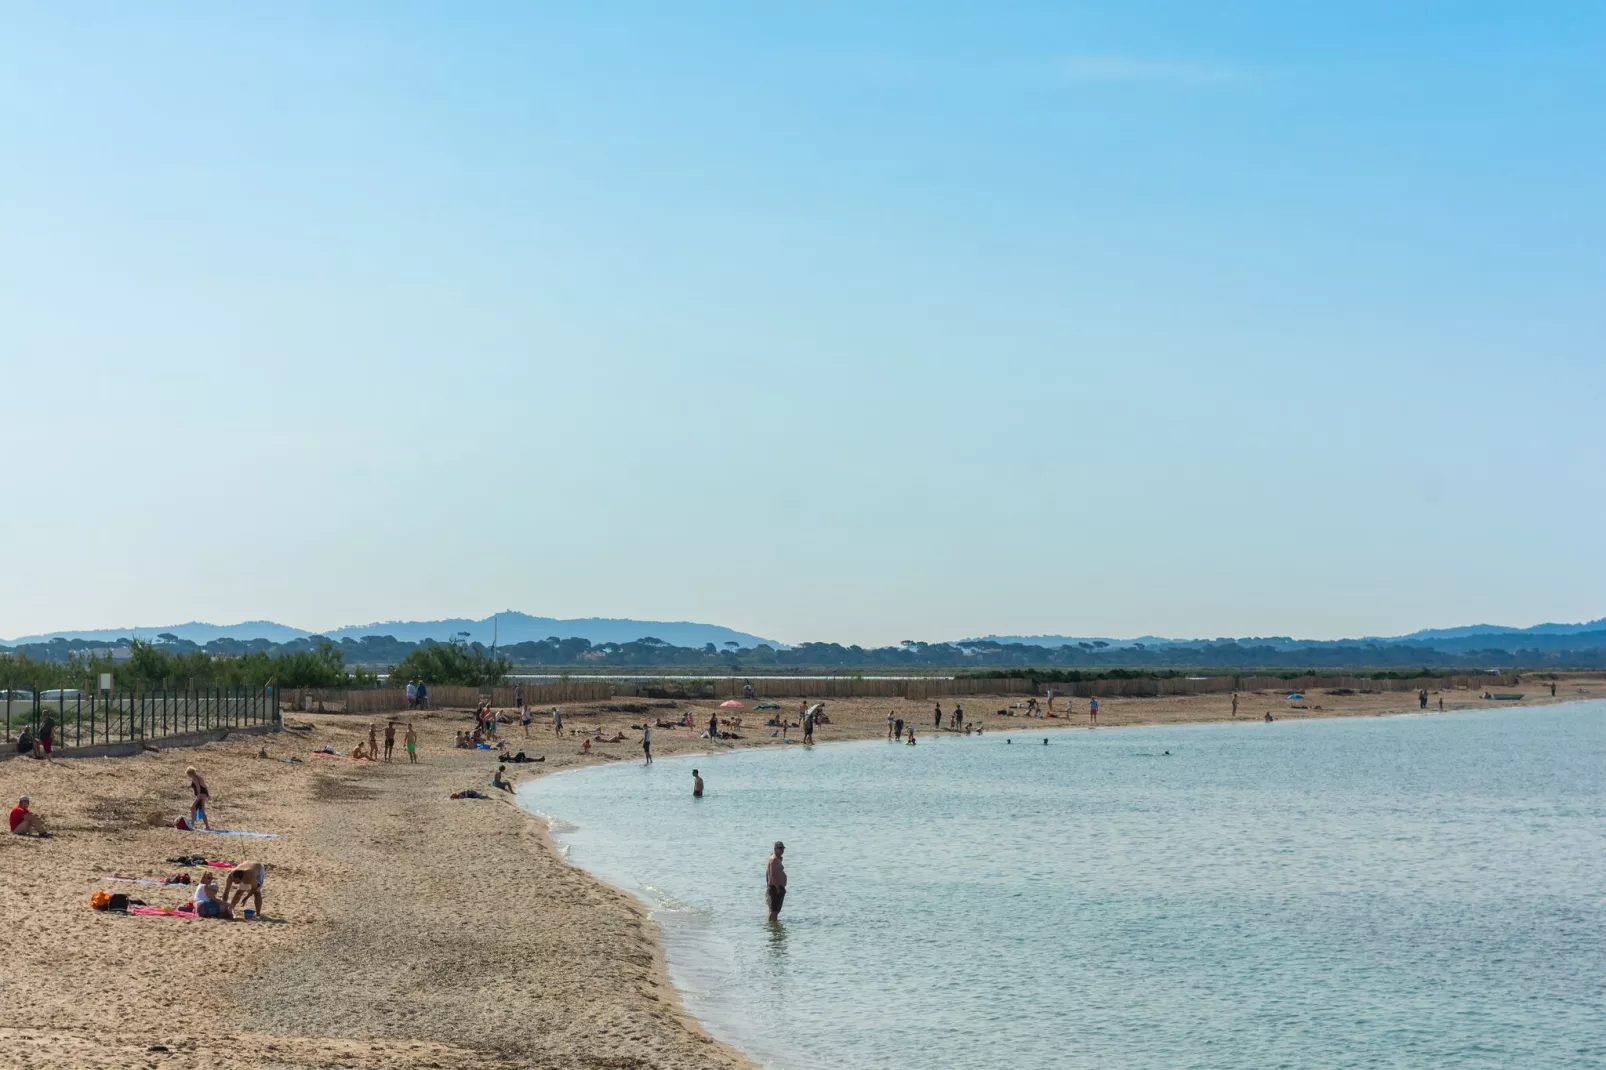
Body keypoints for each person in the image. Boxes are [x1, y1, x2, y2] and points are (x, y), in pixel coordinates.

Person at [766, 841, 787, 923]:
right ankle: (772, 928)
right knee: (774, 911)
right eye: (780, 848)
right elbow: (772, 875)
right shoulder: (774, 859)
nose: (782, 850)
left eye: (783, 848)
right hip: (775, 888)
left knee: (775, 911)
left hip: (776, 887)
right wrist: (777, 887)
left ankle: (774, 926)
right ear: (775, 849)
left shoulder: (775, 858)